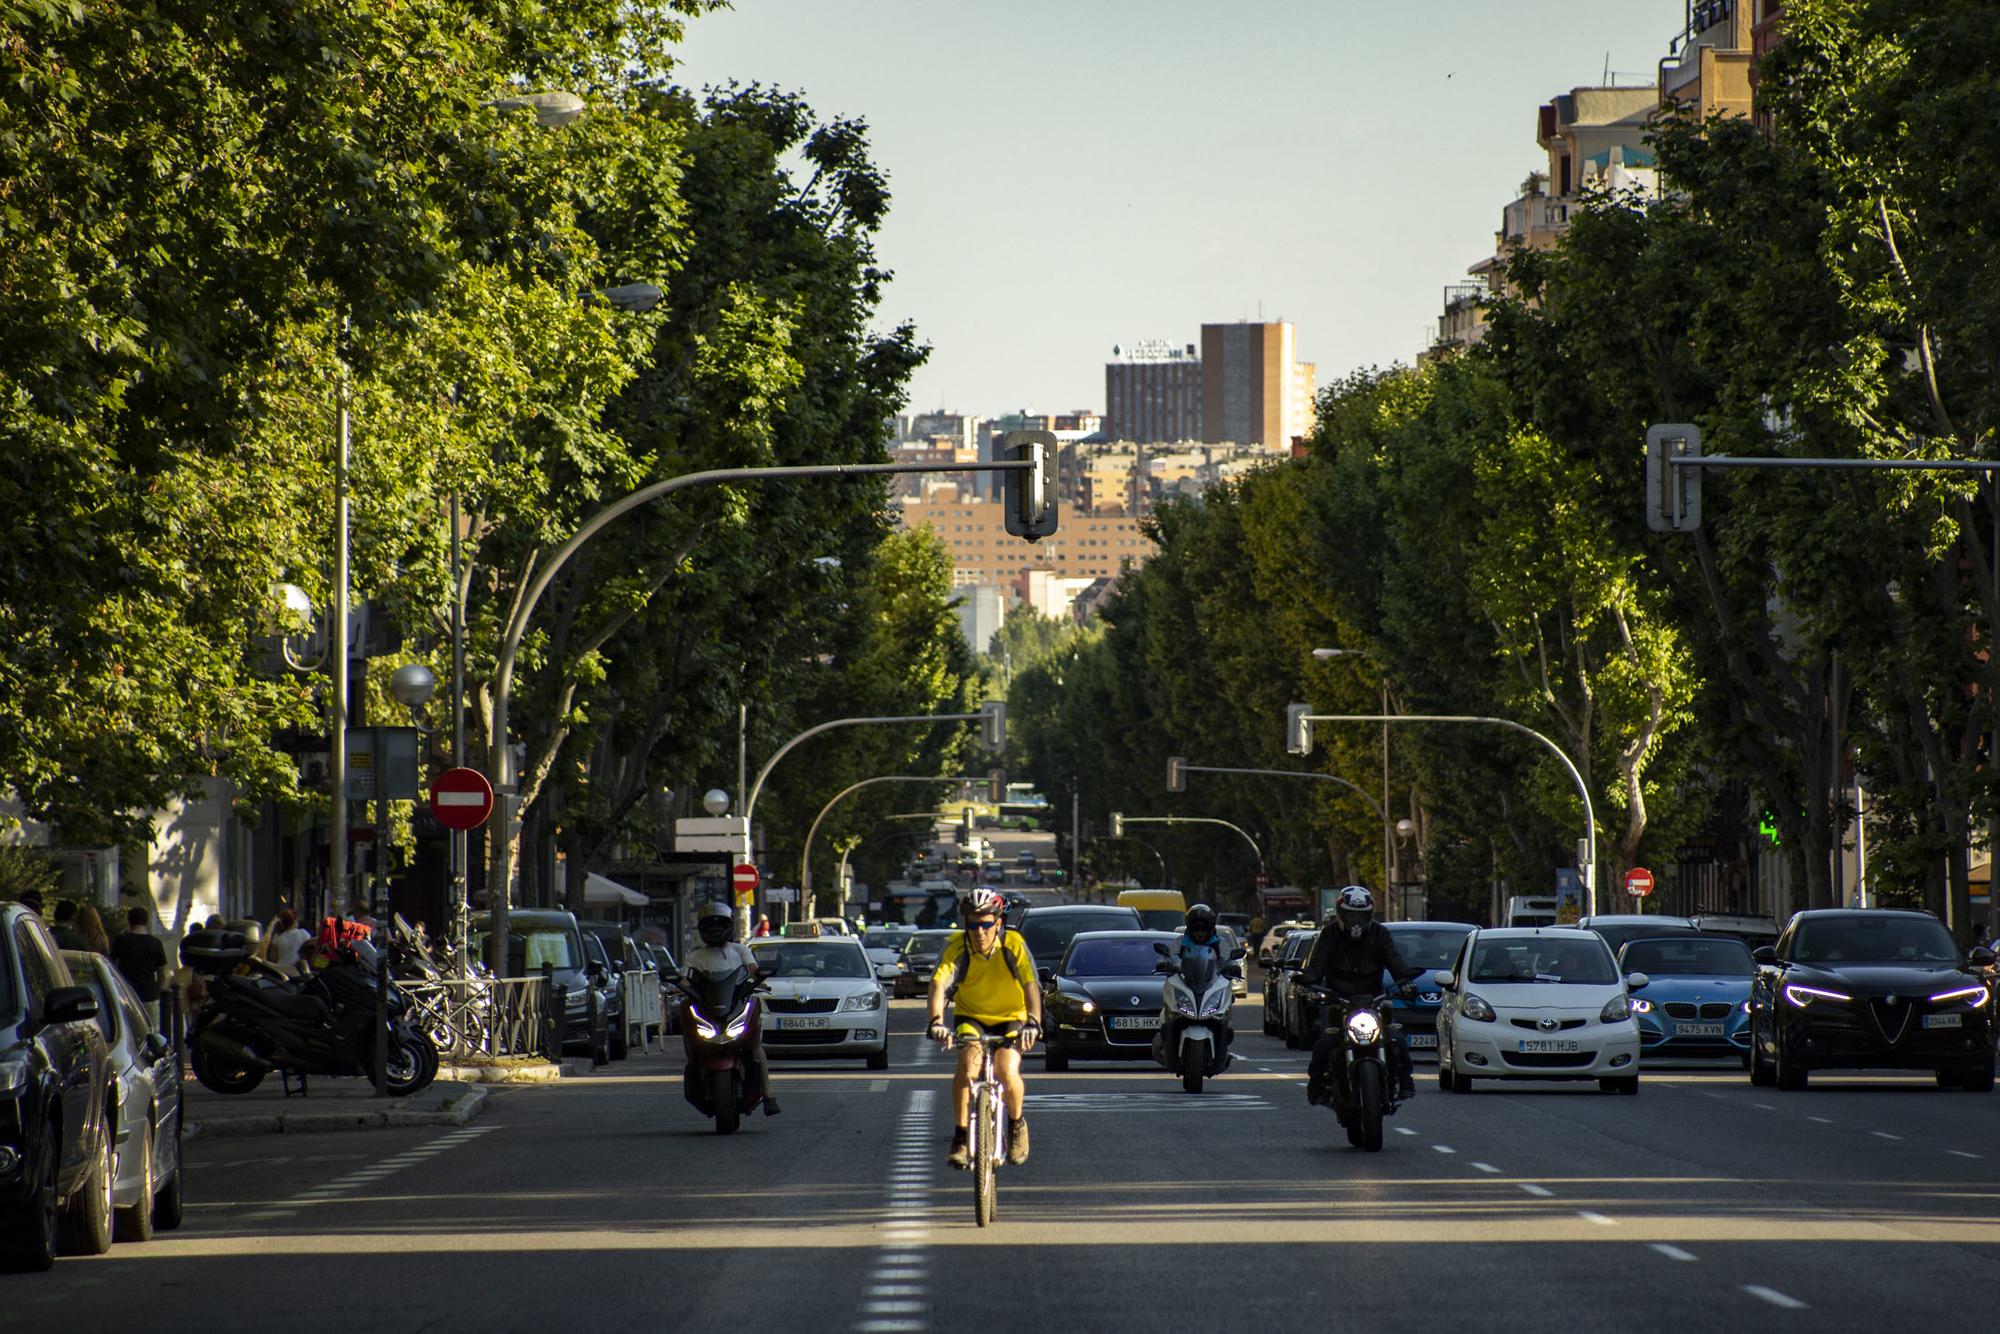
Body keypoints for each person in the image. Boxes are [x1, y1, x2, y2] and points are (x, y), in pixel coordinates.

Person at [927, 887, 1041, 1169]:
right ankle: (962, 1137)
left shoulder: (1013, 943)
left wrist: (1034, 1023)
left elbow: (1031, 985)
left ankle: (1016, 1126)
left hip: (1012, 1016)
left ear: (998, 922)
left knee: (1005, 1070)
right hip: (972, 1016)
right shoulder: (957, 946)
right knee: (966, 1069)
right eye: (973, 924)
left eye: (986, 924)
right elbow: (938, 984)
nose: (979, 931)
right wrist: (936, 1022)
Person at [1300, 885, 1420, 1103]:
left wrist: (1406, 982)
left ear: (1370, 915)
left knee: (1395, 1038)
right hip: (1338, 1000)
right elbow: (1317, 966)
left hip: (1373, 998)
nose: (1356, 921)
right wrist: (1309, 983)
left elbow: (1395, 962)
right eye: (1351, 915)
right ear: (1340, 914)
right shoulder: (1329, 934)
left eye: (1361, 915)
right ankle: (1316, 1084)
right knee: (1326, 1042)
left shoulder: (1380, 933)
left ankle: (1405, 1080)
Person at [683, 902, 778, 1116]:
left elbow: (754, 971)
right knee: (685, 1013)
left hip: (736, 1008)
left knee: (755, 1047)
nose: (715, 929)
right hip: (708, 1012)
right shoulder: (695, 956)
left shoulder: (740, 950)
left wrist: (760, 979)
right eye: (710, 925)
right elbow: (684, 979)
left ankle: (769, 1095)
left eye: (720, 924)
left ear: (729, 926)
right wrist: (680, 987)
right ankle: (696, 1076)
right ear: (702, 929)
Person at [109, 907, 169, 1030]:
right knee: (152, 1030)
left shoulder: (122, 941)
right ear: (147, 922)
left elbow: (111, 963)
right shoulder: (155, 943)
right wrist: (158, 990)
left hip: (126, 994)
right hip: (149, 994)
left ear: (129, 921)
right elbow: (161, 972)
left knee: (128, 1030)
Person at [269, 909, 312, 974]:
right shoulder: (304, 934)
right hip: (297, 972)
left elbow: (273, 958)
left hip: (280, 972)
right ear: (295, 921)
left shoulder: (277, 937)